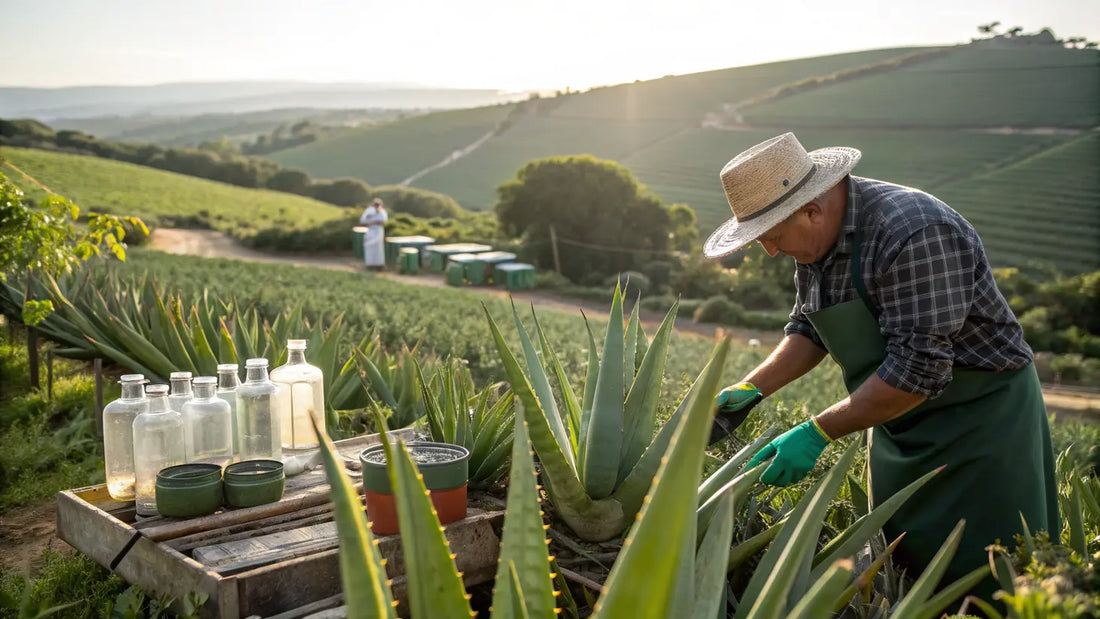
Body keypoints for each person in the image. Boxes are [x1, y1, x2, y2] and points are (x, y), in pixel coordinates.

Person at [704, 133, 1059, 601]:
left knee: (988, 575)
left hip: (980, 425)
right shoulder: (812, 240)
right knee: (903, 564)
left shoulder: (914, 232)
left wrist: (816, 432)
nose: (770, 251)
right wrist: (751, 389)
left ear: (811, 209)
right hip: (892, 422)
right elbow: (809, 329)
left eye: (772, 237)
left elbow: (919, 371)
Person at [358, 198, 388, 271]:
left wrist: (378, 213)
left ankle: (379, 265)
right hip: (370, 230)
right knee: (369, 246)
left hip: (378, 230)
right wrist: (370, 219)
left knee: (379, 248)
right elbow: (362, 220)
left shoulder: (382, 211)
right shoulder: (369, 210)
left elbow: (384, 221)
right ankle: (369, 264)